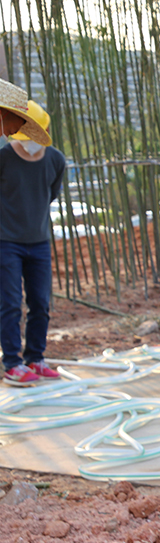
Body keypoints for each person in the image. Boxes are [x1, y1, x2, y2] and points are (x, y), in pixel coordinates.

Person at [1, 98, 65, 386]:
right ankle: (12, 363)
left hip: (39, 241)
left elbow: (50, 194)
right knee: (10, 302)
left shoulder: (56, 160)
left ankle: (35, 358)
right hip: (6, 241)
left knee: (40, 302)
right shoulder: (4, 158)